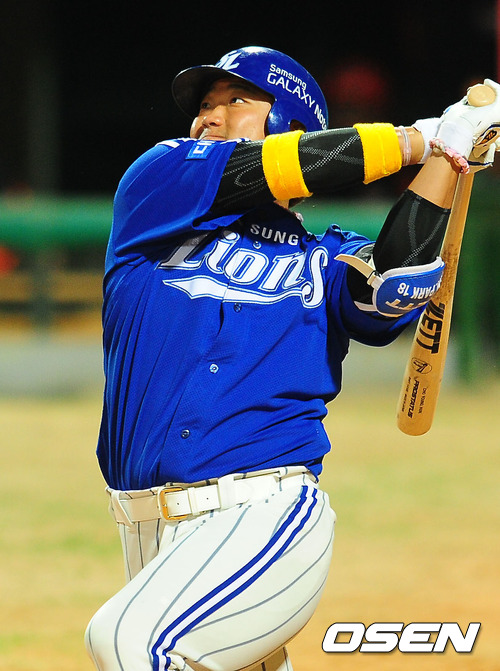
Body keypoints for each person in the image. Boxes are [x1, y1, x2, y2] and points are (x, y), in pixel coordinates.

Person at [85, 46, 499, 671]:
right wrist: (424, 138)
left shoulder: (327, 257)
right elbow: (277, 166)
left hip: (267, 512)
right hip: (146, 528)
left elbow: (387, 285)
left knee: (130, 641)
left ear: (291, 122)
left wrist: (449, 154)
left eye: (236, 100)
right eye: (205, 104)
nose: (209, 115)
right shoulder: (157, 190)